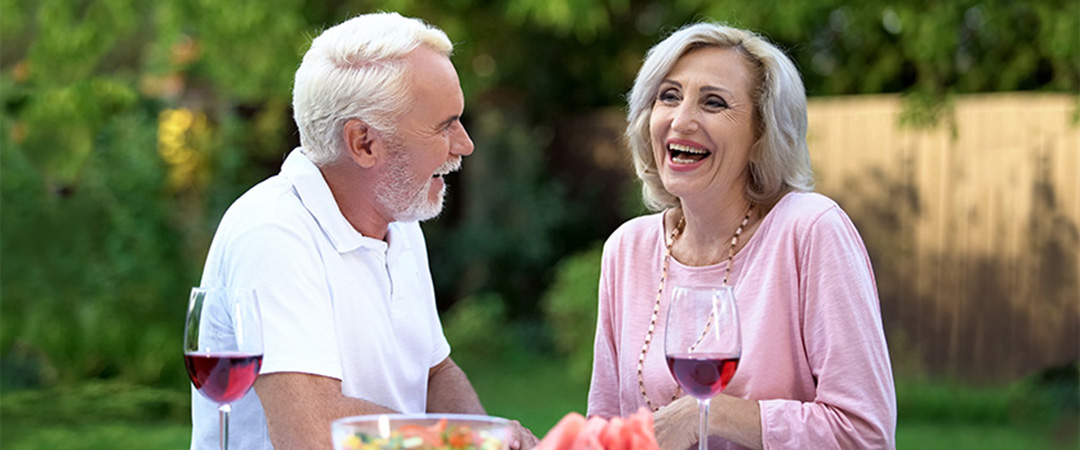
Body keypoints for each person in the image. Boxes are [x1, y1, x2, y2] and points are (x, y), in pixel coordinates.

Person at [191, 12, 538, 450]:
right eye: (444, 125)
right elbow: (310, 434)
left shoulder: (399, 219)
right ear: (364, 143)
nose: (464, 143)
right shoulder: (274, 232)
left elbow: (434, 374)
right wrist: (472, 440)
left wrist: (496, 442)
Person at [586, 22, 897, 449]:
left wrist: (708, 415)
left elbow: (865, 434)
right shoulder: (628, 249)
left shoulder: (810, 230)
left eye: (713, 103)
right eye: (668, 96)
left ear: (761, 135)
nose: (682, 120)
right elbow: (604, 431)